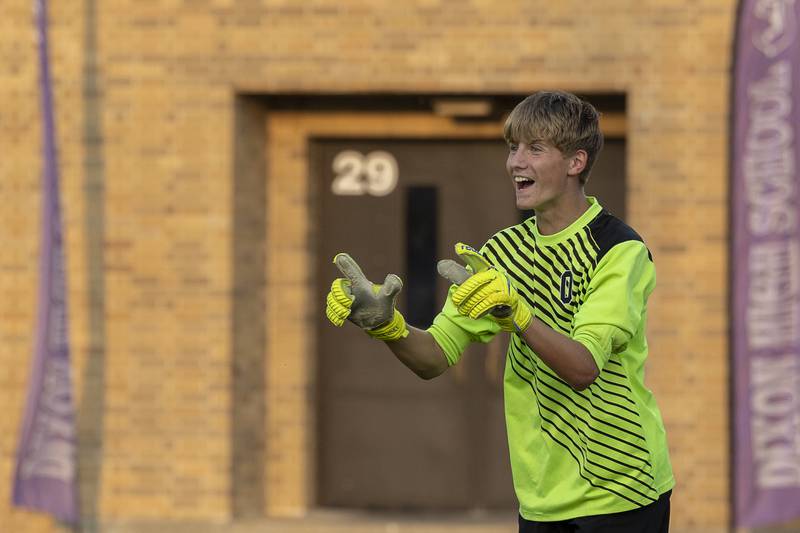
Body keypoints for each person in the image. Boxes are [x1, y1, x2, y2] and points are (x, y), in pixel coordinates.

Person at [325, 90, 674, 532]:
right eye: (513, 148)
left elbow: (584, 368)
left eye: (535, 148)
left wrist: (518, 315)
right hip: (540, 499)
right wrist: (387, 326)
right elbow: (435, 356)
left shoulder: (619, 249)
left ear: (576, 162)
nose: (515, 163)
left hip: (621, 490)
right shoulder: (501, 252)